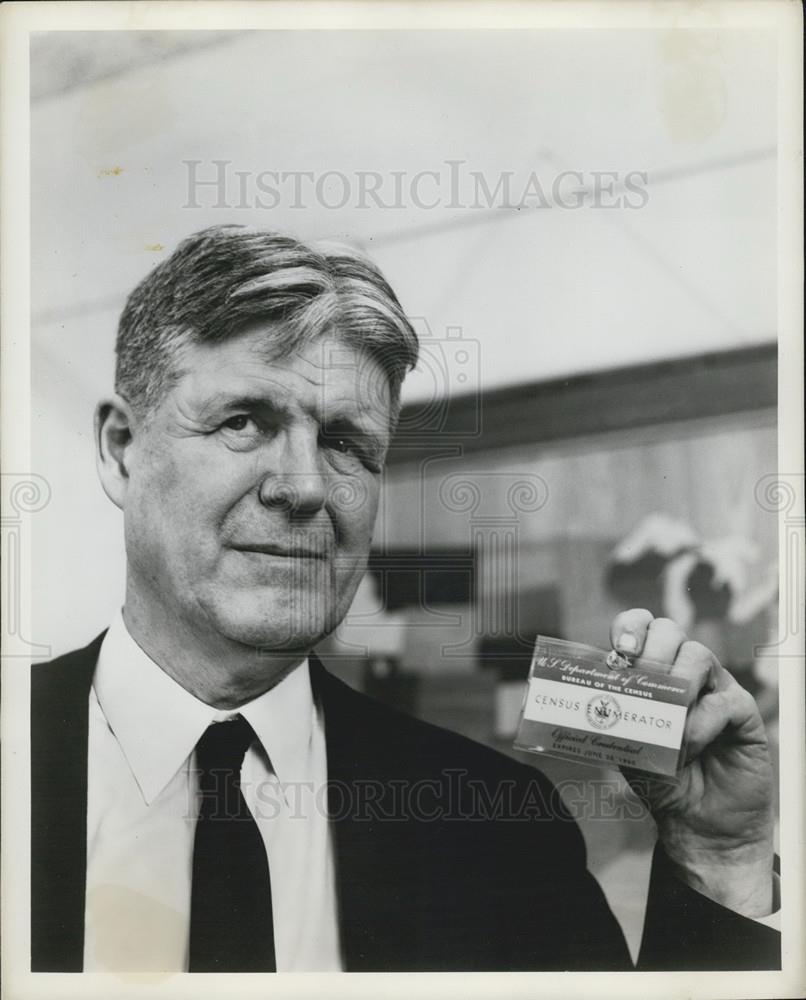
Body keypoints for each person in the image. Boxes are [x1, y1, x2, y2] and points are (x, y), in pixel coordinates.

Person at [31, 225, 780, 973]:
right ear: (120, 450)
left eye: (346, 444)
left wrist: (718, 859)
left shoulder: (495, 829)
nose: (303, 486)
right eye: (242, 422)